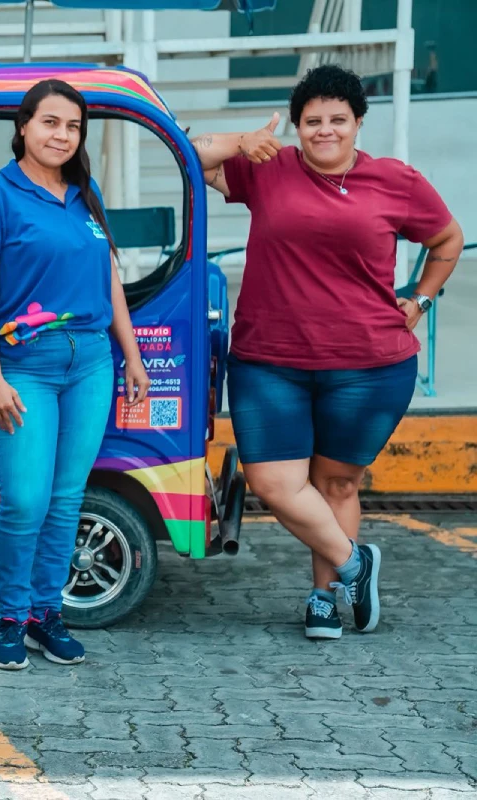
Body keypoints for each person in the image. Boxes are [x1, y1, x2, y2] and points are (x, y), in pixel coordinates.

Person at [190, 64, 463, 640]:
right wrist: (243, 140)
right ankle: (357, 563)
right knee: (273, 483)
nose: (325, 130)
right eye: (312, 120)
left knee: (336, 484)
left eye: (338, 119)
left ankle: (324, 598)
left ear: (358, 123)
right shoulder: (269, 169)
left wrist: (420, 299)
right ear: (296, 126)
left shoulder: (397, 183)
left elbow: (447, 239)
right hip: (270, 360)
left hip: (369, 365)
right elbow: (191, 154)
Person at [0, 79, 150, 670]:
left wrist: (132, 354)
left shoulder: (84, 192)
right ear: (24, 126)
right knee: (24, 500)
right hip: (26, 367)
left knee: (66, 499)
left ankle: (46, 614)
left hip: (92, 361)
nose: (61, 135)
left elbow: (109, 280)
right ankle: (10, 618)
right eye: (50, 123)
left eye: (72, 126)